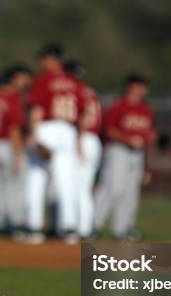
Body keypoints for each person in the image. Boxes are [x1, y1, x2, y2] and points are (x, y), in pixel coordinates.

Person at [24, 43, 85, 244]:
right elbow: (83, 114)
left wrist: (33, 134)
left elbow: (37, 109)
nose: (42, 62)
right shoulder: (74, 82)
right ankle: (69, 229)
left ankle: (34, 228)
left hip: (47, 128)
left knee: (37, 178)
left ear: (52, 58)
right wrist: (79, 140)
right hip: (68, 130)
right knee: (66, 181)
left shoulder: (43, 80)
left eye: (44, 58)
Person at [94, 73, 156, 241]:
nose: (144, 90)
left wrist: (147, 165)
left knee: (130, 193)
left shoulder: (146, 110)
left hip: (137, 154)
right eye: (140, 86)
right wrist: (127, 139)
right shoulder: (118, 106)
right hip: (118, 150)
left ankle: (122, 229)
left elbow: (150, 134)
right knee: (112, 188)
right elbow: (108, 130)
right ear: (131, 87)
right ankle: (94, 225)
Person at [0, 64, 32, 234]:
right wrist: (18, 154)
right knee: (12, 186)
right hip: (4, 145)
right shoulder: (12, 98)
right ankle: (13, 222)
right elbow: (14, 129)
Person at [64, 60, 103, 239]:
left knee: (75, 187)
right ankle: (86, 228)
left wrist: (79, 140)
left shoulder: (74, 90)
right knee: (84, 188)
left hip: (83, 138)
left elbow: (83, 117)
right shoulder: (91, 91)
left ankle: (78, 229)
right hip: (94, 139)